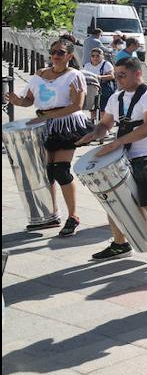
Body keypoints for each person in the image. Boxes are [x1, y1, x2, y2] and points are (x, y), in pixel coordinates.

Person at [78, 57, 147, 267]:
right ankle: (120, 244)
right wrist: (94, 133)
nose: (118, 80)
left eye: (122, 75)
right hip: (124, 154)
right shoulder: (116, 97)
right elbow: (105, 124)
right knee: (113, 198)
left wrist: (117, 142)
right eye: (116, 76)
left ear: (137, 74)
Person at [6, 39, 94, 233]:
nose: (55, 55)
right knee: (47, 173)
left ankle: (73, 216)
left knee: (61, 171)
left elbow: (77, 105)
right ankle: (51, 215)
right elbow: (28, 100)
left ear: (70, 56)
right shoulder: (39, 75)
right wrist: (16, 100)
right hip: (45, 125)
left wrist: (48, 116)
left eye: (61, 52)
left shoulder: (74, 76)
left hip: (67, 124)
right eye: (53, 51)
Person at [82, 46, 115, 124]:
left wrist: (100, 77)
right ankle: (92, 123)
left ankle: (103, 125)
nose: (95, 58)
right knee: (92, 107)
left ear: (102, 56)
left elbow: (112, 76)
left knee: (103, 108)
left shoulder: (106, 64)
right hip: (91, 88)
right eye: (93, 56)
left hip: (104, 87)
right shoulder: (87, 65)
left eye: (98, 55)